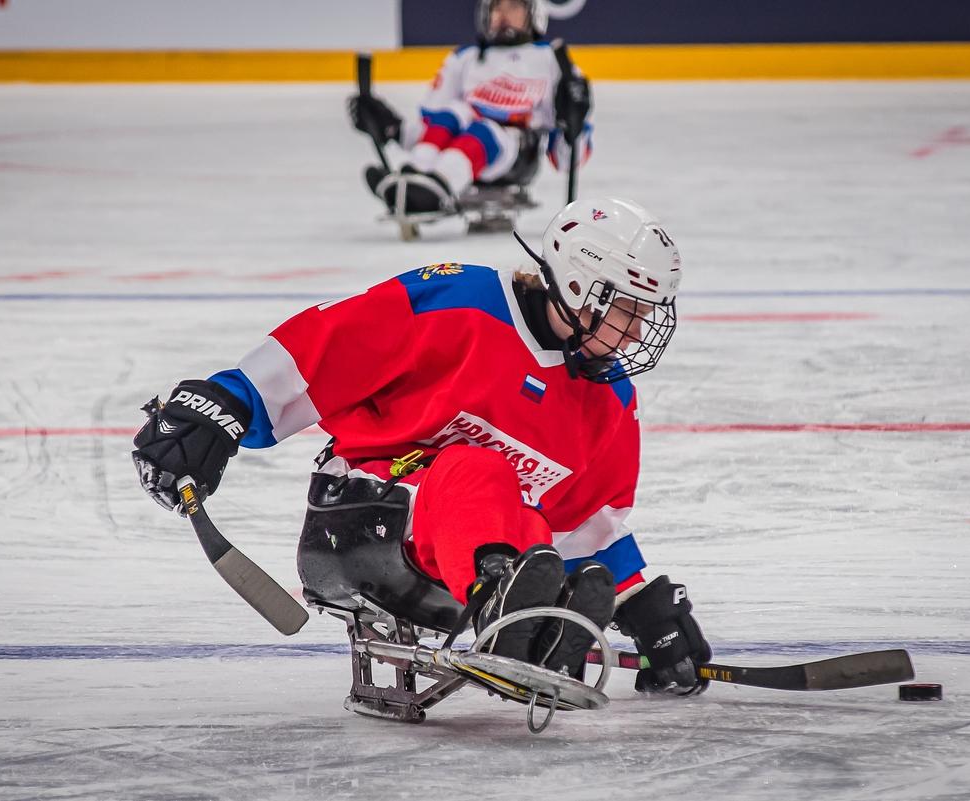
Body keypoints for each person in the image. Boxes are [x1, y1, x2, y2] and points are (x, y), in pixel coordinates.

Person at [132, 196, 712, 693]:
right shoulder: (464, 302)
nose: (638, 331)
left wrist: (637, 606)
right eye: (627, 309)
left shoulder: (609, 400)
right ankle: (507, 608)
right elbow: (330, 346)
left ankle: (527, 614)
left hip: (470, 560)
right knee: (477, 472)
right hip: (362, 521)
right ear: (582, 285)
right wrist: (225, 403)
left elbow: (583, 520)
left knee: (532, 532)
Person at [348, 0, 593, 216]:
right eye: (496, 6)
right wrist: (393, 128)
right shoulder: (466, 58)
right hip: (468, 139)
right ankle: (414, 176)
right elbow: (431, 126)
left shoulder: (552, 60)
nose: (502, 14)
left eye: (514, 6)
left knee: (484, 130)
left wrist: (574, 123)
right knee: (452, 114)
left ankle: (435, 190)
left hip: (518, 151)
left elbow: (566, 158)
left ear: (535, 11)